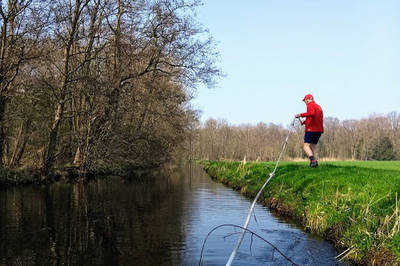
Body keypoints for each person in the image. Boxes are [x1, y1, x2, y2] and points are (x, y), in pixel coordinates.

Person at [295, 94, 324, 168]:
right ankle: (315, 163)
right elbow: (313, 117)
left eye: (305, 100)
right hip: (319, 130)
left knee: (306, 146)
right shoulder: (318, 107)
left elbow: (311, 113)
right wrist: (304, 122)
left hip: (311, 130)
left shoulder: (310, 105)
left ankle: (312, 161)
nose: (305, 102)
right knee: (313, 146)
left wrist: (300, 115)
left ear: (309, 99)